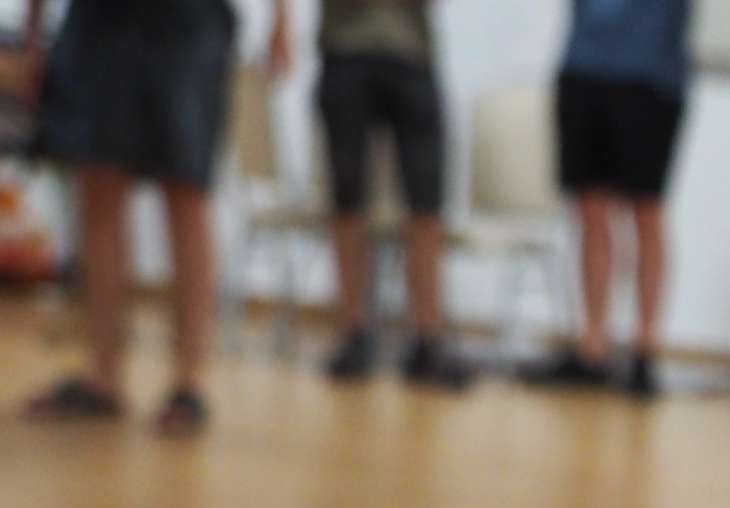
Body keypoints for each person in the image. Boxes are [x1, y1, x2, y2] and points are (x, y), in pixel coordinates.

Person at [20, 0, 280, 434]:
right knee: (99, 186)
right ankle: (103, 376)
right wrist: (33, 30)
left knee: (186, 189)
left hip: (189, 20)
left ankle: (190, 382)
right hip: (101, 21)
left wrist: (282, 18)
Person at [287, 0, 471, 388]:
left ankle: (427, 340)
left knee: (426, 203)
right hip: (345, 51)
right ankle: (354, 333)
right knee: (347, 199)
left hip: (411, 53)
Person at [521, 0, 692, 396]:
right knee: (589, 211)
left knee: (646, 211)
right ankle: (593, 346)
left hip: (650, 77)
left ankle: (645, 350)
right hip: (584, 69)